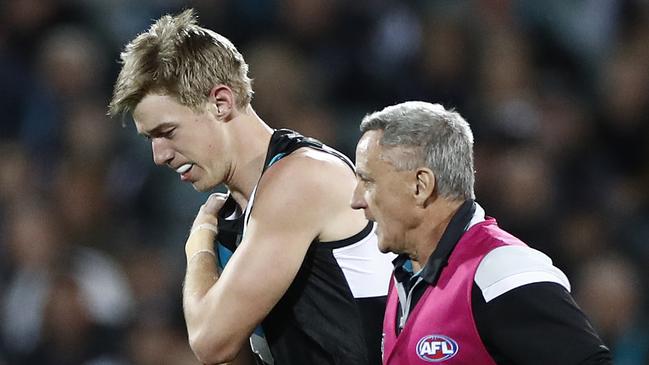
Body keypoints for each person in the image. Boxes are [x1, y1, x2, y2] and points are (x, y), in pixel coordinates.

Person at [107, 9, 394, 365]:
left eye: (167, 132)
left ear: (221, 102)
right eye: (150, 138)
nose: (159, 155)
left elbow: (210, 341)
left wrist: (198, 249)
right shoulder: (234, 216)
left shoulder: (302, 179)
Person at [350, 101, 613, 364]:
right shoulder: (405, 276)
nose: (356, 199)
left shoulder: (500, 270)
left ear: (421, 185)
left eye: (369, 182)